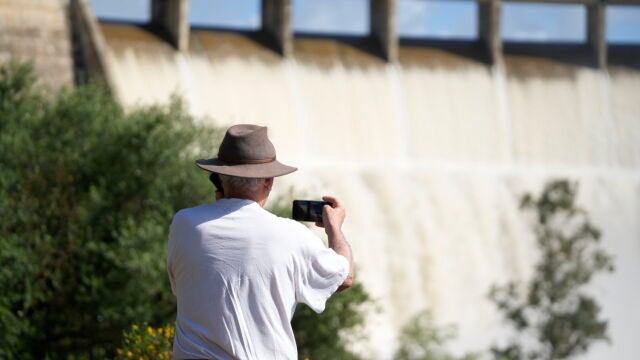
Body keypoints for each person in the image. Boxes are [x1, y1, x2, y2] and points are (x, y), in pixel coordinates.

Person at [167, 124, 355, 360]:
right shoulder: (291, 235)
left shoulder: (184, 224)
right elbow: (344, 277)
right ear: (268, 182)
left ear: (220, 178)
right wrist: (334, 228)